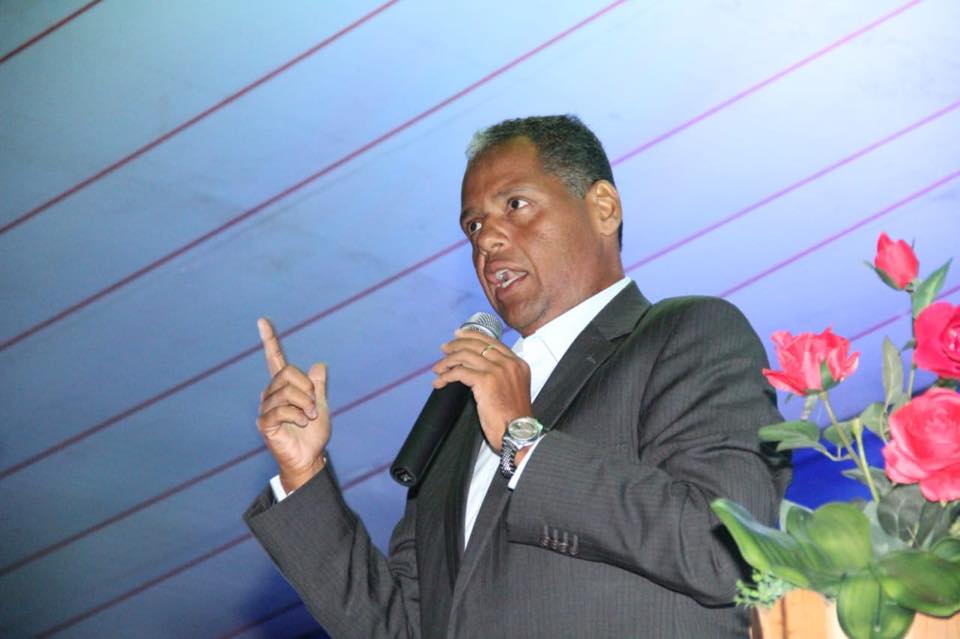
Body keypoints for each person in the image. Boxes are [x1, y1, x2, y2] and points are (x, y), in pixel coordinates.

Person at [244, 115, 790, 638]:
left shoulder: (685, 334)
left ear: (603, 208)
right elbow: (401, 627)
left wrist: (523, 441)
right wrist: (303, 473)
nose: (486, 240)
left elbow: (726, 550)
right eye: (473, 225)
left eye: (515, 205)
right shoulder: (458, 425)